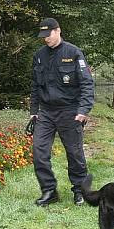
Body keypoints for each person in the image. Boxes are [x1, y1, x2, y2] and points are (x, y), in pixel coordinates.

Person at [30, 18, 94, 206]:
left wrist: (83, 110)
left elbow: (87, 83)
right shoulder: (39, 55)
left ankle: (80, 191)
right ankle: (49, 191)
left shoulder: (73, 53)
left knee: (74, 153)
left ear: (58, 31)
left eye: (48, 35)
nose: (46, 40)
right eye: (43, 37)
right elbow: (35, 85)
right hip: (46, 112)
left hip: (70, 111)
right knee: (39, 151)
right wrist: (34, 110)